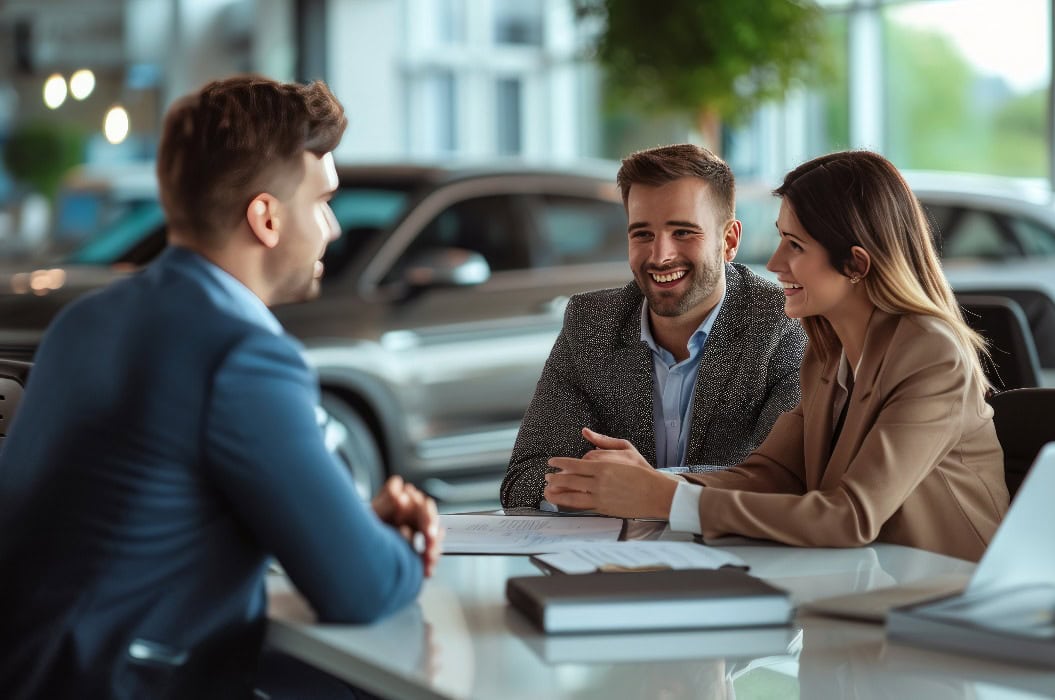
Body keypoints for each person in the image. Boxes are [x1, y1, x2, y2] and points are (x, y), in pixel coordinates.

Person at [0, 76, 440, 699]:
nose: (334, 230)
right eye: (323, 202)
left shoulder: (87, 320)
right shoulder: (242, 354)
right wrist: (398, 542)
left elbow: (153, 516)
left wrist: (345, 524)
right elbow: (363, 588)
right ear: (265, 217)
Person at [544, 150, 1009, 562]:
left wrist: (665, 498)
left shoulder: (932, 354)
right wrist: (646, 486)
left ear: (855, 264)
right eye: (781, 238)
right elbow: (775, 473)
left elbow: (849, 518)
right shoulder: (828, 350)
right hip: (863, 595)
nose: (774, 263)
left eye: (796, 246)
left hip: (950, 611)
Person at [500, 144, 807, 508]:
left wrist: (647, 487)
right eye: (642, 234)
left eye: (683, 233)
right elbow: (522, 479)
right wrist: (606, 485)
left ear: (729, 241)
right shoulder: (589, 323)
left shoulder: (783, 323)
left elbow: (786, 480)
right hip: (612, 561)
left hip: (734, 559)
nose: (660, 256)